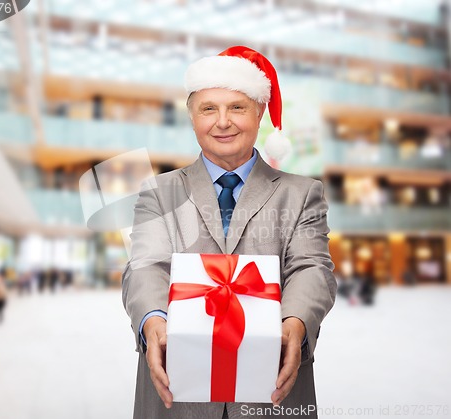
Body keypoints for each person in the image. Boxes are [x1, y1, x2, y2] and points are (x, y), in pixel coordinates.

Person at [122, 46, 337, 419]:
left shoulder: (302, 193)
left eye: (237, 107)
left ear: (259, 113)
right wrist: (153, 320)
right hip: (178, 390)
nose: (223, 122)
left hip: (271, 390)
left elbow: (311, 267)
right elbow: (145, 266)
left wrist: (296, 321)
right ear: (192, 118)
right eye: (209, 109)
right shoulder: (159, 192)